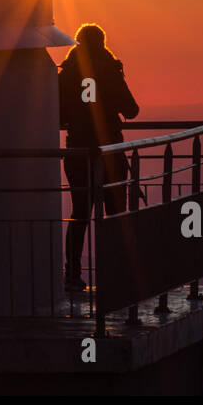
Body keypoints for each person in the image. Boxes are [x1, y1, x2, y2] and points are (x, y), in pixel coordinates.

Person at [57, 23, 140, 292]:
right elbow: (132, 109)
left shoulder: (67, 74)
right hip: (110, 152)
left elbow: (58, 115)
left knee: (80, 213)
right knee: (115, 213)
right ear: (102, 43)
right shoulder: (110, 71)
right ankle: (116, 272)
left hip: (78, 150)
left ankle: (71, 275)